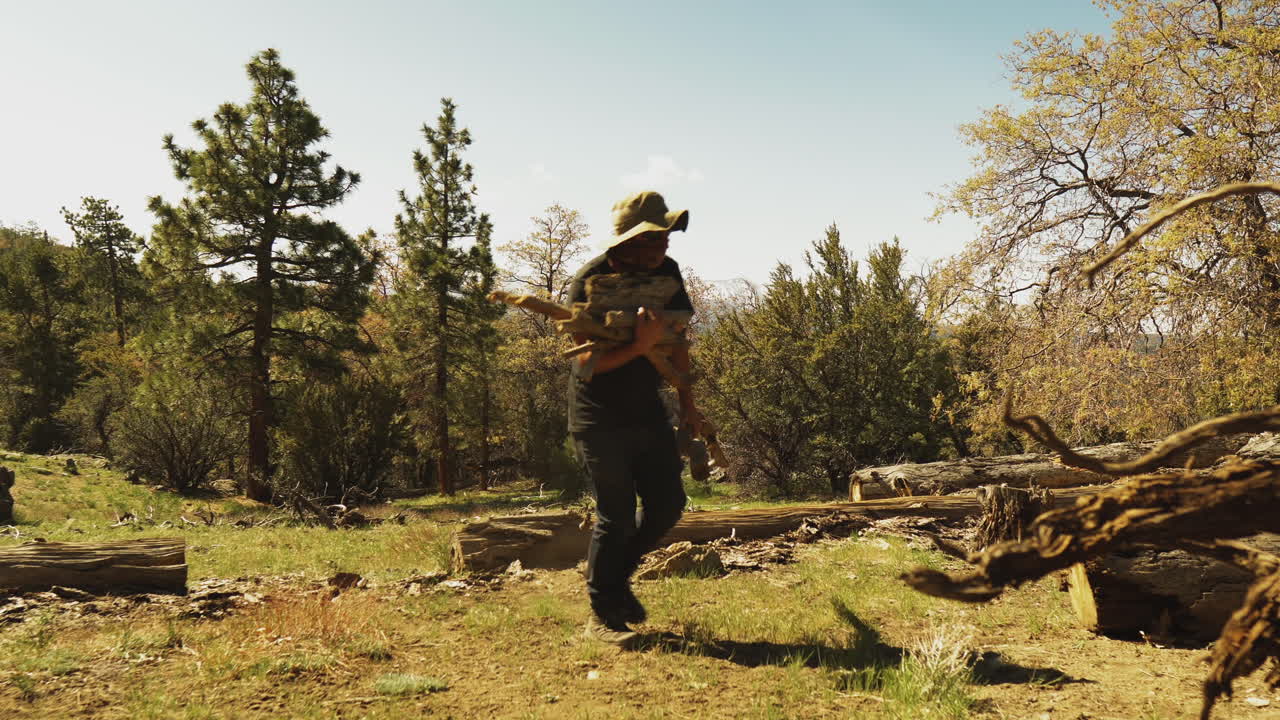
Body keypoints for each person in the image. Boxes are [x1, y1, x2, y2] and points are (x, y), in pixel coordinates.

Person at [568, 190, 704, 647]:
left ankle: (612, 578)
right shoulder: (588, 281)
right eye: (654, 240)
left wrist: (688, 403)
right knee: (617, 513)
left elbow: (678, 337)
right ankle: (603, 616)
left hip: (648, 410)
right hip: (598, 417)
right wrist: (640, 347)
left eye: (666, 239)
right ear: (627, 242)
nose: (664, 248)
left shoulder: (666, 273)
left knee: (667, 505)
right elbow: (587, 366)